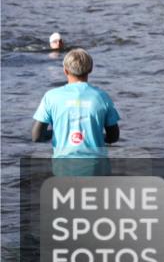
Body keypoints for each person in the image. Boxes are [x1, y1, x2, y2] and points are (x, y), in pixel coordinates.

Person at [32, 48, 120, 176]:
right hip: (96, 169)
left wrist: (58, 132)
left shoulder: (51, 97)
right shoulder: (102, 97)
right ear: (90, 69)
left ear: (65, 70)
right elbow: (114, 137)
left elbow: (36, 136)